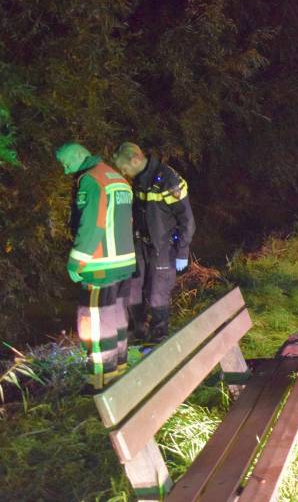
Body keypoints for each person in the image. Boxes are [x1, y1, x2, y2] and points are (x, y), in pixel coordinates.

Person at [56, 143, 136, 391]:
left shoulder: (91, 180)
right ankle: (120, 367)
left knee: (93, 321)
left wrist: (76, 260)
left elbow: (92, 224)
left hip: (100, 264)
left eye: (67, 162)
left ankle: (100, 379)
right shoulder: (116, 178)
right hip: (123, 262)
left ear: (81, 155)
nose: (66, 169)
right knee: (115, 314)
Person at [112, 142, 195, 343]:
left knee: (158, 293)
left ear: (135, 160)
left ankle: (159, 337)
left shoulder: (168, 180)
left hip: (164, 247)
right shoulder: (139, 180)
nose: (123, 172)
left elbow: (187, 221)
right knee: (133, 287)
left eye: (124, 168)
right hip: (140, 244)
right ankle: (138, 332)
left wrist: (183, 251)